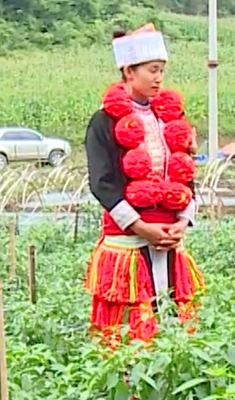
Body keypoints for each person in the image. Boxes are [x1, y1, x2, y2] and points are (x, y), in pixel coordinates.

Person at [83, 24, 204, 347]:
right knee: (128, 334)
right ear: (128, 71)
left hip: (170, 239)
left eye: (161, 71)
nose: (158, 78)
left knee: (174, 328)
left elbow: (186, 174)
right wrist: (141, 227)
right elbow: (102, 182)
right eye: (152, 70)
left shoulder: (171, 118)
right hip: (128, 243)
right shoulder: (104, 121)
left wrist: (182, 221)